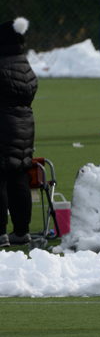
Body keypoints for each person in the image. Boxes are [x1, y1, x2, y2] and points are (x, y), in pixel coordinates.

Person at [0, 17, 38, 247]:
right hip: (25, 127)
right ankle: (22, 231)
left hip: (3, 125)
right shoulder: (25, 65)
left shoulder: (2, 65)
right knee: (19, 177)